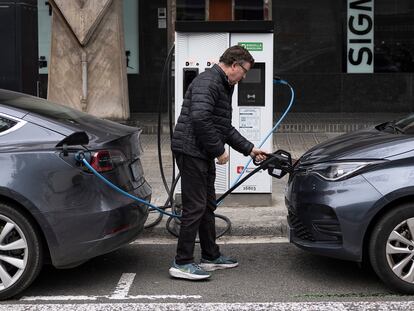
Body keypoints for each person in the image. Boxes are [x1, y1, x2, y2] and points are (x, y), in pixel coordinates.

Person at [170, 45, 267, 280]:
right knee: (195, 206)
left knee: (208, 205)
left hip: (200, 151)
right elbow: (200, 118)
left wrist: (250, 150)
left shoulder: (223, 84)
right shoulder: (209, 82)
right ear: (234, 65)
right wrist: (219, 150)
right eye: (244, 72)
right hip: (191, 151)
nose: (244, 77)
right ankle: (181, 262)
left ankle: (210, 256)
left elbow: (224, 127)